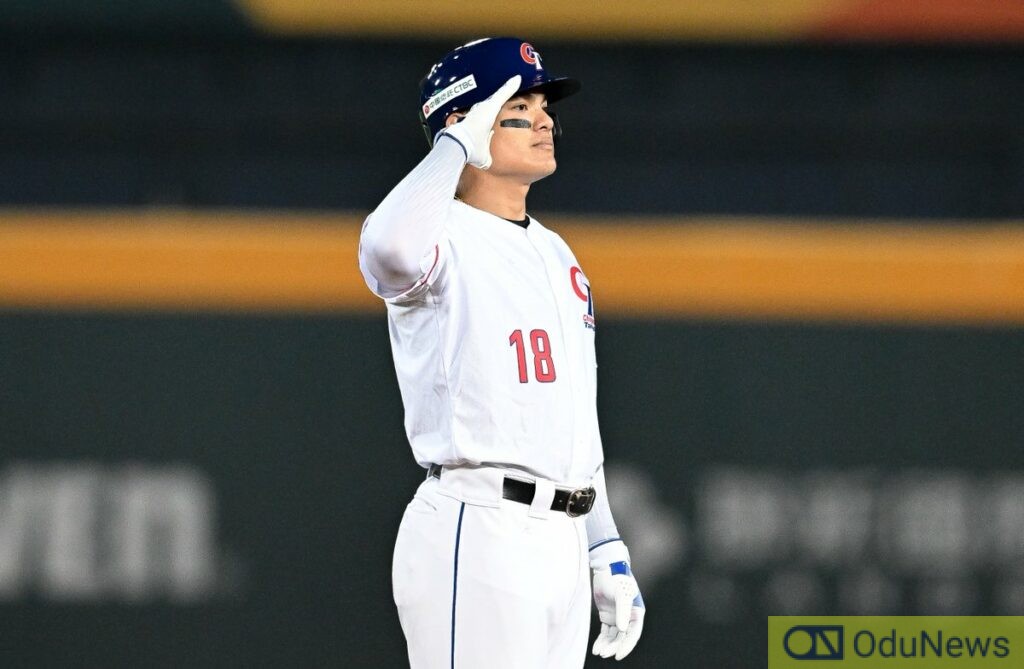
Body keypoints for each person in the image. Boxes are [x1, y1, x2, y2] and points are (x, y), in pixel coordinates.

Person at [358, 37, 645, 668]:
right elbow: (386, 253)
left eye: (545, 105)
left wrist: (604, 544)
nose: (545, 119)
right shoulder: (438, 236)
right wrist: (456, 142)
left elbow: (575, 419)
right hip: (481, 523)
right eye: (520, 105)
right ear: (469, 119)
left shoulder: (556, 252)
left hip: (564, 535)